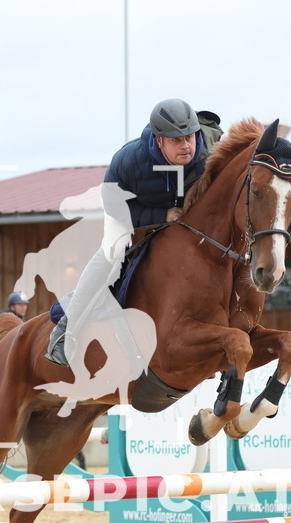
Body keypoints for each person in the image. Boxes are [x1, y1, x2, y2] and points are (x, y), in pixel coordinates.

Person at [46, 98, 223, 366]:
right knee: (111, 251)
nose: (187, 146)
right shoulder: (128, 161)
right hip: (136, 217)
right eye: (177, 141)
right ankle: (67, 330)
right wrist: (160, 216)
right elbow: (115, 207)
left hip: (191, 217)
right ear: (159, 140)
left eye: (190, 137)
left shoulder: (214, 148)